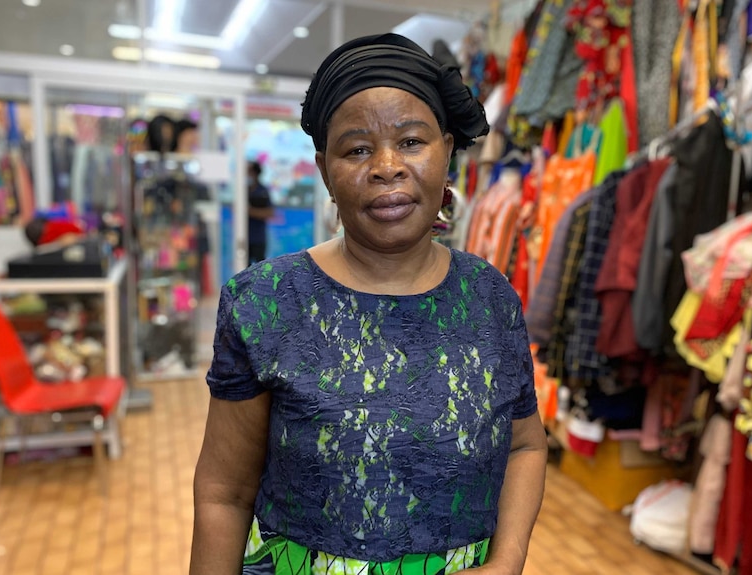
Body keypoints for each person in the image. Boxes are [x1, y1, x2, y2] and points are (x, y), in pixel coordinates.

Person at [191, 33, 548, 575]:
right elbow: (224, 494)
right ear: (325, 170)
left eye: (410, 142)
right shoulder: (264, 302)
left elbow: (525, 447)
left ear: (447, 151)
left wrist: (509, 560)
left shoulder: (490, 297)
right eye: (357, 149)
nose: (387, 166)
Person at [246, 160, 274, 264]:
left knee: (260, 268)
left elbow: (269, 212)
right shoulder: (243, 191)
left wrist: (251, 212)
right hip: (244, 237)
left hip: (258, 238)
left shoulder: (262, 192)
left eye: (249, 171)